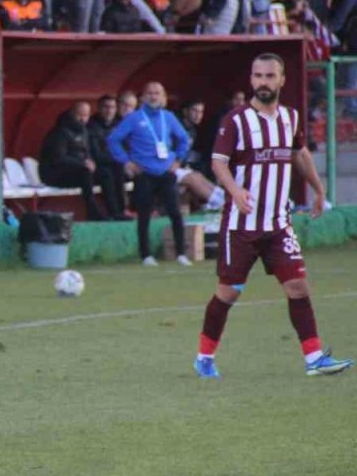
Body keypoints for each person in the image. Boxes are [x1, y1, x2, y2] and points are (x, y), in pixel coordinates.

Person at [194, 53, 352, 379]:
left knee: (298, 287)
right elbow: (218, 162)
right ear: (251, 80)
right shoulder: (236, 121)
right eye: (257, 76)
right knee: (230, 291)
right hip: (242, 225)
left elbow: (300, 153)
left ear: (281, 80)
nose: (262, 82)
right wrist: (235, 193)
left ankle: (314, 358)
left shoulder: (291, 118)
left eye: (269, 76)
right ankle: (204, 357)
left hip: (279, 224)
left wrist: (319, 191)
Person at [108, 82, 193, 266]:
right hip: (144, 172)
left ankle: (181, 254)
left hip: (166, 171)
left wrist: (178, 160)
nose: (154, 97)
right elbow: (113, 140)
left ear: (163, 97)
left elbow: (184, 139)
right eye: (150, 93)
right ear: (142, 98)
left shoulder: (169, 117)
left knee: (175, 212)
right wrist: (126, 162)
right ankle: (146, 255)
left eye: (158, 93)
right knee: (144, 214)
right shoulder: (134, 118)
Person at [40, 102, 125, 221]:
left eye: (86, 115)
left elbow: (86, 152)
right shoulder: (60, 132)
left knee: (105, 173)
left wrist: (90, 161)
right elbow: (58, 158)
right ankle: (92, 211)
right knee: (85, 172)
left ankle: (115, 212)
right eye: (79, 115)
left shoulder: (83, 130)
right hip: (55, 175)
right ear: (71, 113)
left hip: (77, 171)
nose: (82, 119)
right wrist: (83, 163)